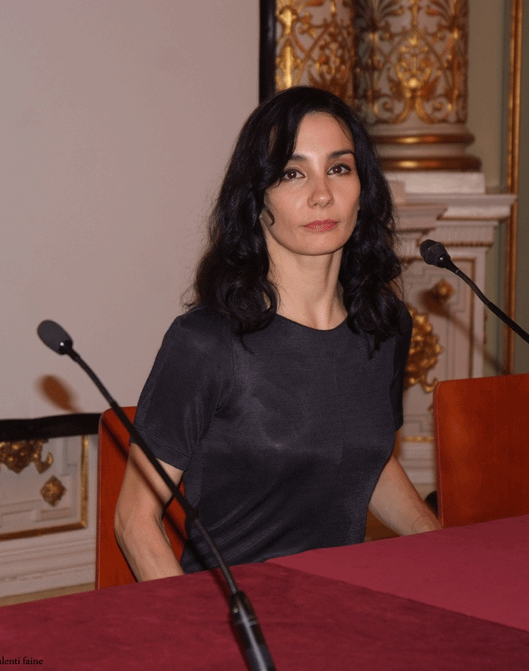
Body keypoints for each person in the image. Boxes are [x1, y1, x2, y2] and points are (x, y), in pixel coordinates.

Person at [114, 86, 441, 581]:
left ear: (364, 188)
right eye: (292, 173)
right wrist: (202, 626)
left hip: (344, 597)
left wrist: (442, 544)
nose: (322, 194)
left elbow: (365, 461)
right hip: (234, 607)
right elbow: (134, 521)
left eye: (339, 168)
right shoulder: (206, 342)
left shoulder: (385, 325)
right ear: (256, 198)